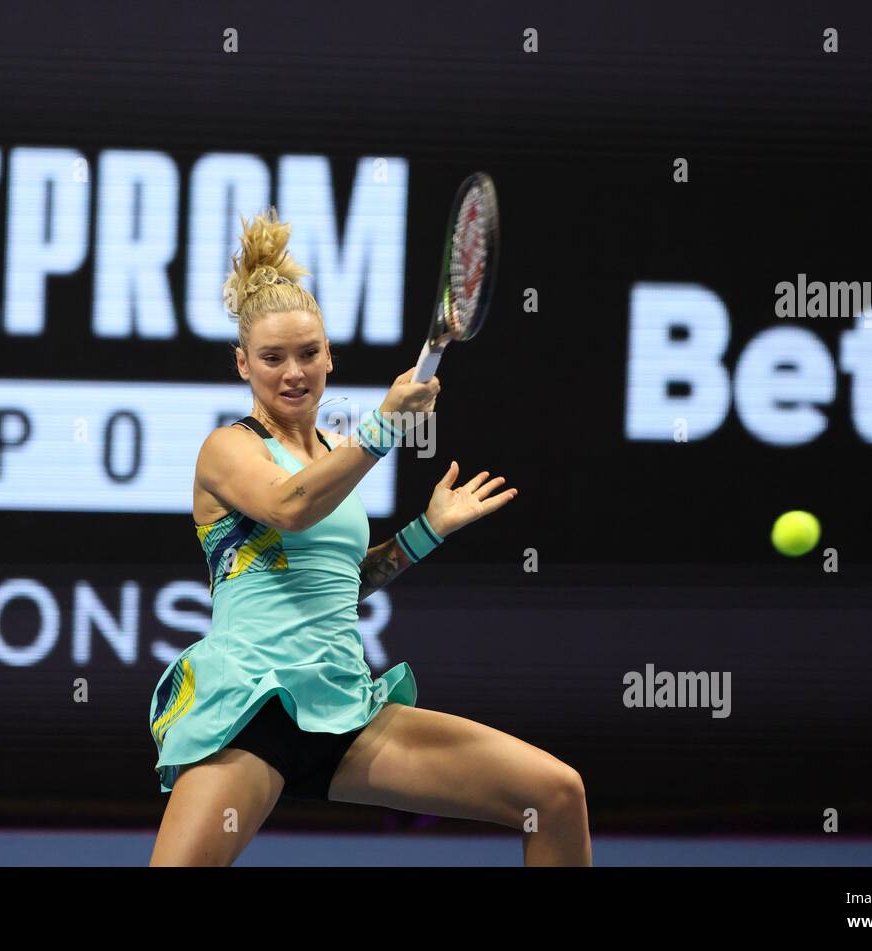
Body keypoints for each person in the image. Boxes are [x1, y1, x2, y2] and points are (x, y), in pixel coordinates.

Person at [148, 208, 590, 866]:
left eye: (307, 353)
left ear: (330, 355)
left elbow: (340, 584)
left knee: (556, 795)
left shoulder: (331, 453)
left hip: (345, 708)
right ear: (243, 364)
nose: (293, 372)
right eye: (272, 358)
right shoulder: (228, 449)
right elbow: (286, 508)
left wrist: (424, 533)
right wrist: (383, 428)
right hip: (252, 710)